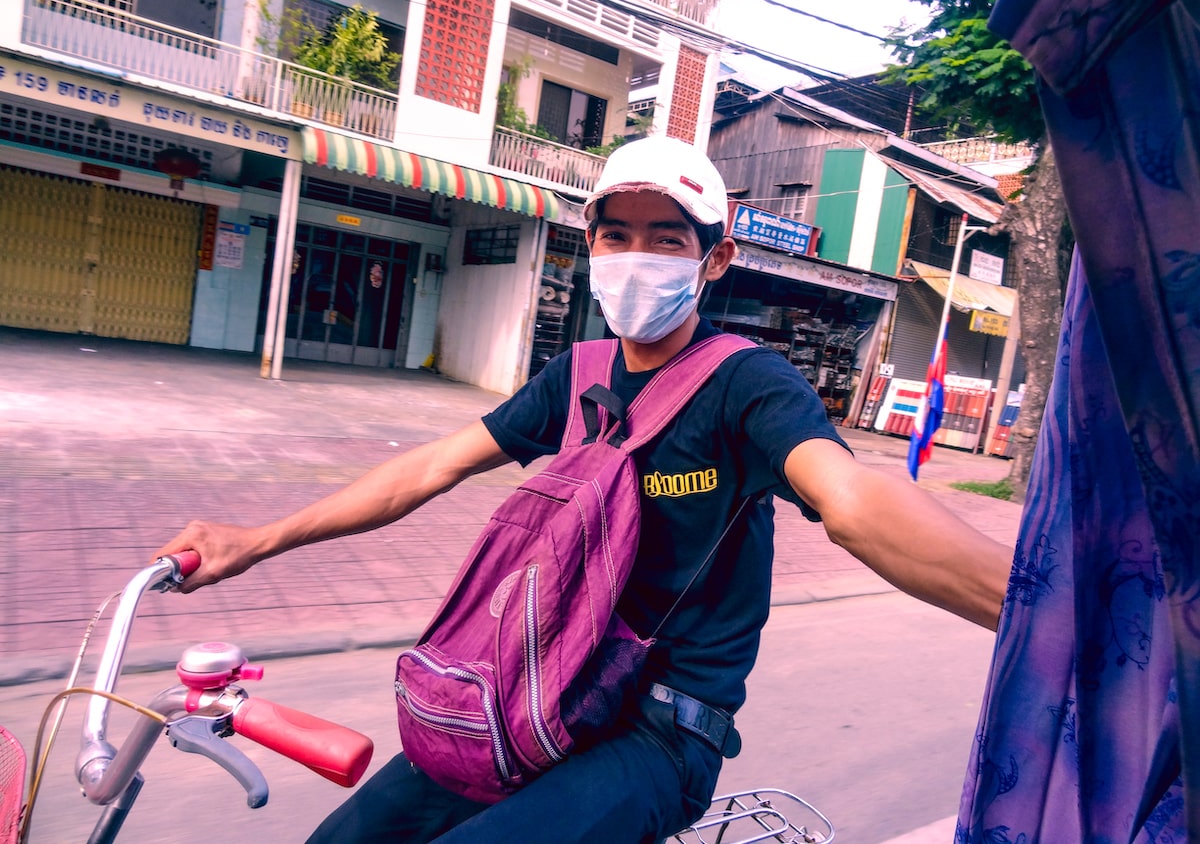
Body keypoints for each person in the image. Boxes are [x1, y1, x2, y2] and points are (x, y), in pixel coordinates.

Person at [155, 135, 1011, 843]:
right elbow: (427, 468)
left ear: (716, 258)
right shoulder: (578, 375)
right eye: (617, 234)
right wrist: (254, 541)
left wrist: (1041, 612)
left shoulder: (748, 386)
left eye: (667, 238)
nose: (637, 258)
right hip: (535, 695)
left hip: (658, 732)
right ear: (590, 244)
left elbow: (853, 502)